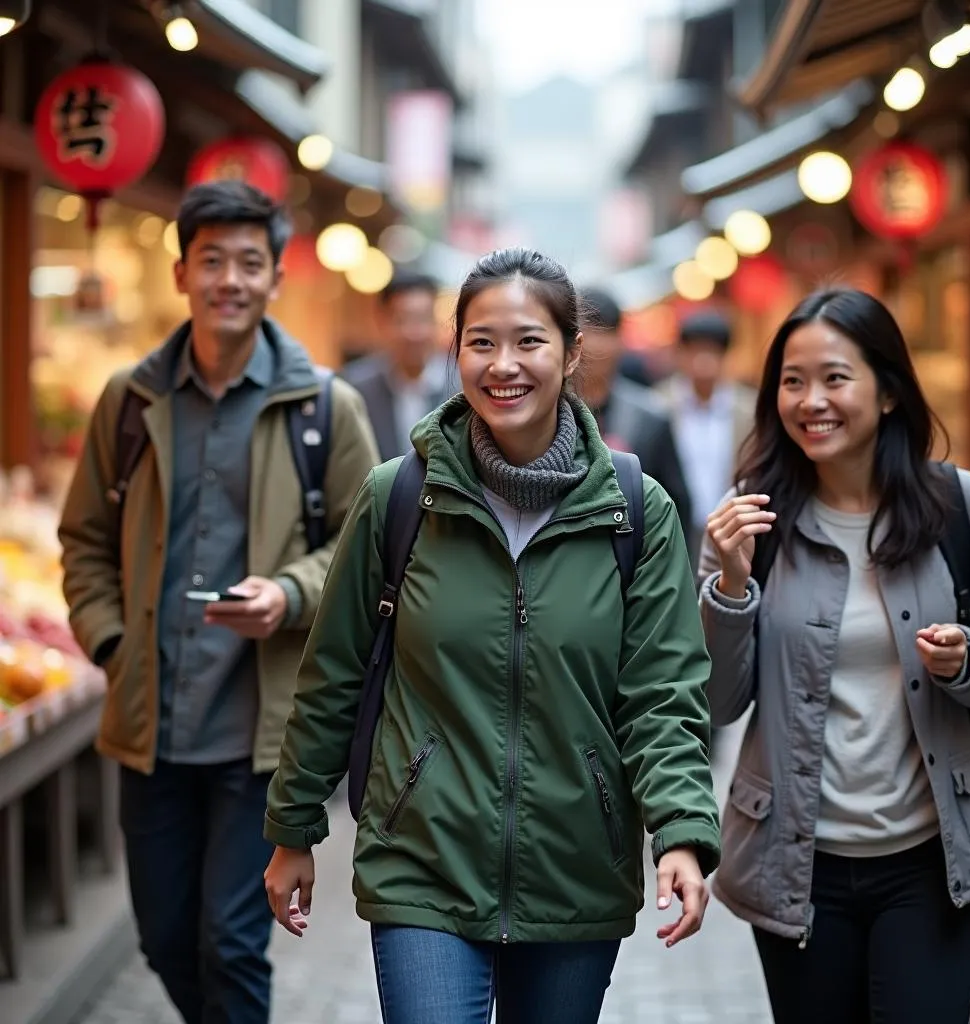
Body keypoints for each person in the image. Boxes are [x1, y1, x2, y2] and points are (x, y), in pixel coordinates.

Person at [263, 247, 721, 1024]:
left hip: (576, 867)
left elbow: (662, 696)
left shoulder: (635, 512)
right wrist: (293, 828)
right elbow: (334, 671)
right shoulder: (400, 497)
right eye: (481, 342)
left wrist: (680, 831)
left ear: (573, 353)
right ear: (457, 352)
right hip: (422, 861)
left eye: (529, 342)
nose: (503, 364)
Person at [58, 181, 380, 1024]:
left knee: (230, 942)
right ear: (180, 274)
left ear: (276, 276)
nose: (229, 280)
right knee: (165, 938)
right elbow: (84, 536)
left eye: (249, 262)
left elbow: (370, 552)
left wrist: (288, 592)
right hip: (152, 723)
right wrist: (108, 642)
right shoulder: (129, 401)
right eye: (212, 262)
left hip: (264, 735)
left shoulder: (324, 408)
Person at [698, 288, 970, 1023]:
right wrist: (729, 583)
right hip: (797, 864)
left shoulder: (960, 507)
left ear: (886, 393)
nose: (811, 400)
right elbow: (716, 703)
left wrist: (968, 658)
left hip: (932, 862)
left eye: (835, 378)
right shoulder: (753, 517)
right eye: (792, 380)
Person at [577, 286, 692, 531]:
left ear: (621, 341)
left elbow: (676, 502)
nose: (596, 346)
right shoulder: (548, 412)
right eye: (588, 334)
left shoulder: (650, 415)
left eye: (605, 334)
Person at [659, 309, 756, 556]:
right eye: (695, 351)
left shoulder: (749, 410)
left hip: (733, 528)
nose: (703, 361)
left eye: (711, 351)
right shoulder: (658, 404)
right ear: (681, 353)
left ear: (725, 355)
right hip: (670, 528)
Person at [342, 269, 453, 460]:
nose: (414, 333)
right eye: (402, 320)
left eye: (423, 319)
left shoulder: (462, 385)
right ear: (381, 322)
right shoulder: (355, 388)